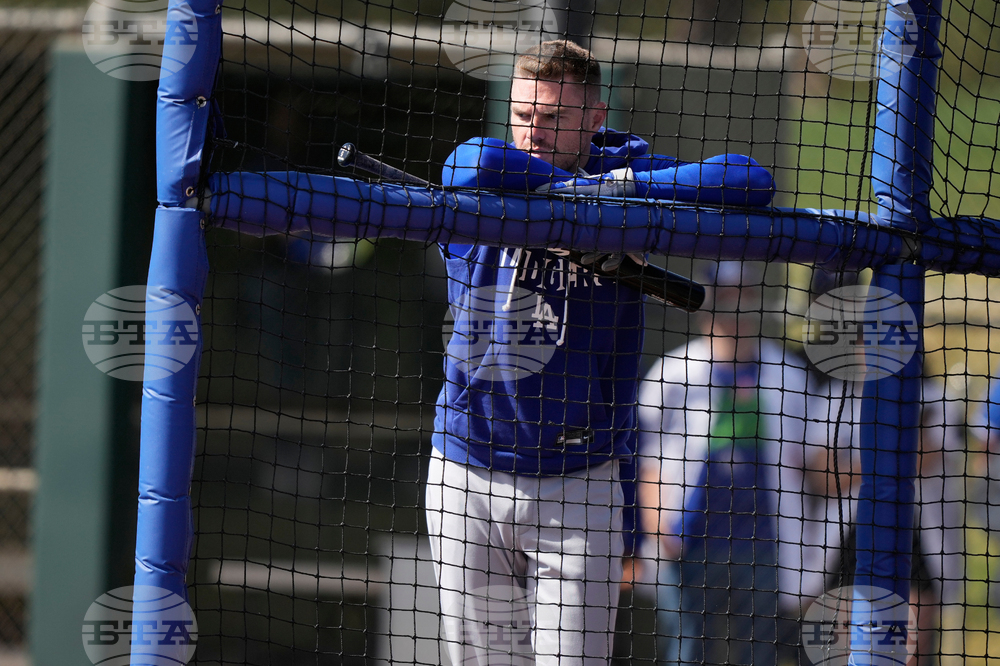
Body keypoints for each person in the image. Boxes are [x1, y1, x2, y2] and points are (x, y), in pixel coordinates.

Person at [424, 40, 776, 666]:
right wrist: (578, 203)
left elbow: (750, 180)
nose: (532, 132)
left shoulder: (630, 180)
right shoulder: (496, 167)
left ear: (594, 117)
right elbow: (466, 163)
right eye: (523, 115)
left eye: (553, 118)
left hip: (578, 481)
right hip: (467, 467)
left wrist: (615, 193)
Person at [637, 261, 812, 666]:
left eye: (744, 295)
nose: (735, 307)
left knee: (758, 655)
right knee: (686, 653)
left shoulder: (791, 373)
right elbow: (648, 459)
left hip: (763, 546)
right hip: (687, 542)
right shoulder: (672, 372)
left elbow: (811, 463)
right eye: (725, 297)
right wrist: (656, 524)